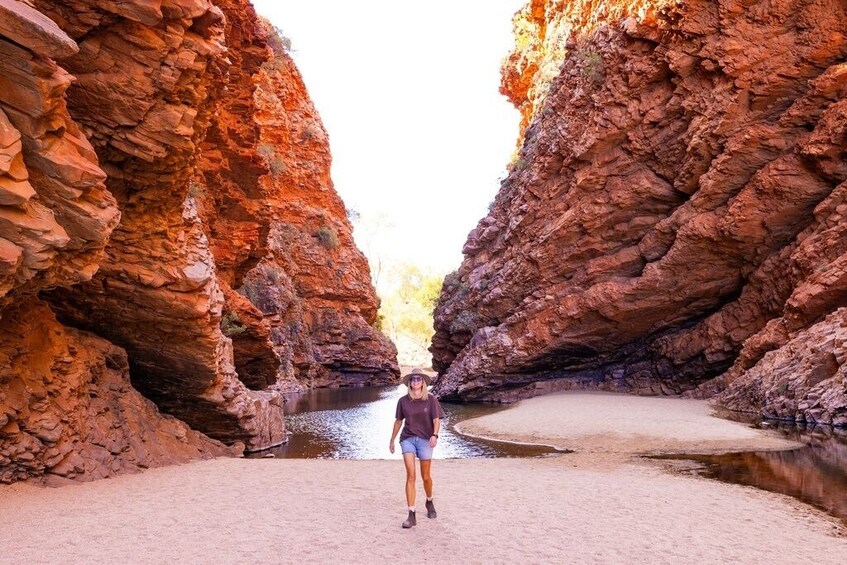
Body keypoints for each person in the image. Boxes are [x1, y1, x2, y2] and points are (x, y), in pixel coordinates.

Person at [389, 367, 445, 529]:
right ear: (409, 383)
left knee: (426, 476)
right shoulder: (403, 401)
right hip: (407, 439)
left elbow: (436, 419)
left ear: (423, 382)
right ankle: (411, 514)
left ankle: (429, 501)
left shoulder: (431, 399)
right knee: (411, 475)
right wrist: (392, 440)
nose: (415, 381)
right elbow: (398, 421)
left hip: (425, 440)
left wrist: (434, 435)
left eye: (418, 379)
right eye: (413, 379)